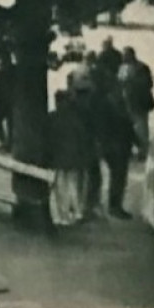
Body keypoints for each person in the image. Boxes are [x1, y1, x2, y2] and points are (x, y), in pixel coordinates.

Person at [49, 89, 94, 227]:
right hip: (73, 158)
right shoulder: (75, 118)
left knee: (59, 187)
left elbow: (47, 138)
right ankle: (76, 213)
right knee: (73, 186)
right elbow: (82, 139)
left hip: (57, 158)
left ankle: (60, 215)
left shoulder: (52, 117)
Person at [94, 81, 138, 219]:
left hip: (118, 146)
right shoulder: (112, 107)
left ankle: (115, 205)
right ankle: (114, 206)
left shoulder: (115, 105)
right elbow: (124, 126)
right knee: (118, 178)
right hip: (116, 147)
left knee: (118, 178)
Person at [119, 46, 154, 160]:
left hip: (139, 103)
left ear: (131, 55)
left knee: (141, 128)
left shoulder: (142, 67)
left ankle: (143, 151)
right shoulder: (122, 67)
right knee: (127, 127)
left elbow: (148, 83)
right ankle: (129, 150)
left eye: (125, 55)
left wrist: (130, 82)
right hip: (126, 102)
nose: (123, 57)